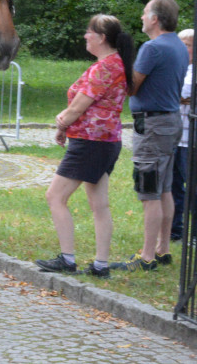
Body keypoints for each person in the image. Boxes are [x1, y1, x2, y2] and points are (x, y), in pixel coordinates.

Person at [36, 15, 135, 278]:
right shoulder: (116, 63)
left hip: (90, 143)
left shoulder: (105, 67)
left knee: (55, 197)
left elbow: (78, 106)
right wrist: (66, 124)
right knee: (99, 204)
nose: (85, 36)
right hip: (106, 142)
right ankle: (100, 266)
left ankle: (67, 259)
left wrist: (61, 123)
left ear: (101, 37)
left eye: (89, 32)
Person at [112, 0, 188, 272]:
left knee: (149, 191)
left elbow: (131, 88)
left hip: (152, 126)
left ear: (155, 19)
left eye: (145, 13)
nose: (142, 17)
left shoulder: (152, 48)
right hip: (170, 121)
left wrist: (121, 59)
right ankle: (162, 249)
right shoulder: (178, 44)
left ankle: (146, 257)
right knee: (164, 187)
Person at [170, 29, 197, 244]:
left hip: (195, 139)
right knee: (174, 186)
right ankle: (175, 230)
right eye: (181, 44)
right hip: (176, 137)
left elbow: (178, 93)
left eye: (187, 45)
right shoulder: (180, 68)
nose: (182, 49)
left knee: (196, 188)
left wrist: (172, 95)